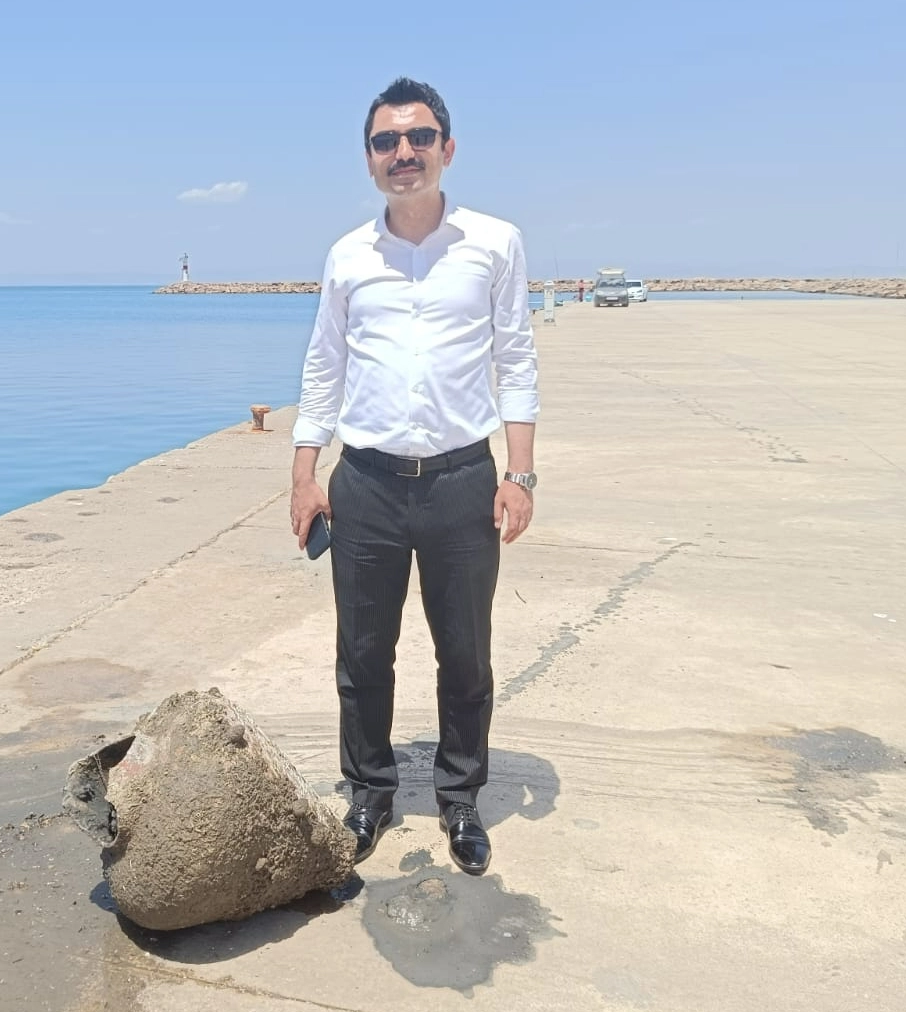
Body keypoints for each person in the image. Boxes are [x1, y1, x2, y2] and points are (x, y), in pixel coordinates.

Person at [288, 77, 539, 875]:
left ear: (446, 148)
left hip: (462, 481)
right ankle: (369, 791)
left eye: (418, 137)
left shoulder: (494, 242)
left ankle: (460, 799)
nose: (403, 152)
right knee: (363, 653)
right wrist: (304, 473)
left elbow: (516, 360)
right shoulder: (347, 255)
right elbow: (323, 366)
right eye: (386, 141)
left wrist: (520, 475)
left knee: (464, 652)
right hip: (364, 482)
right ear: (369, 158)